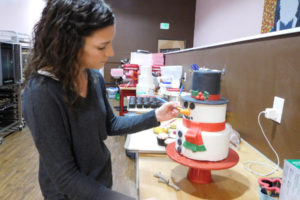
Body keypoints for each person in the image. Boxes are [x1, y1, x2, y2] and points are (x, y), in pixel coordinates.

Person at [22, 0, 179, 199]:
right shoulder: (41, 94)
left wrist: (156, 115)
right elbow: (65, 177)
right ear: (69, 43)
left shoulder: (93, 77)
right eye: (102, 46)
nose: (111, 53)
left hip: (101, 183)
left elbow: (110, 124)